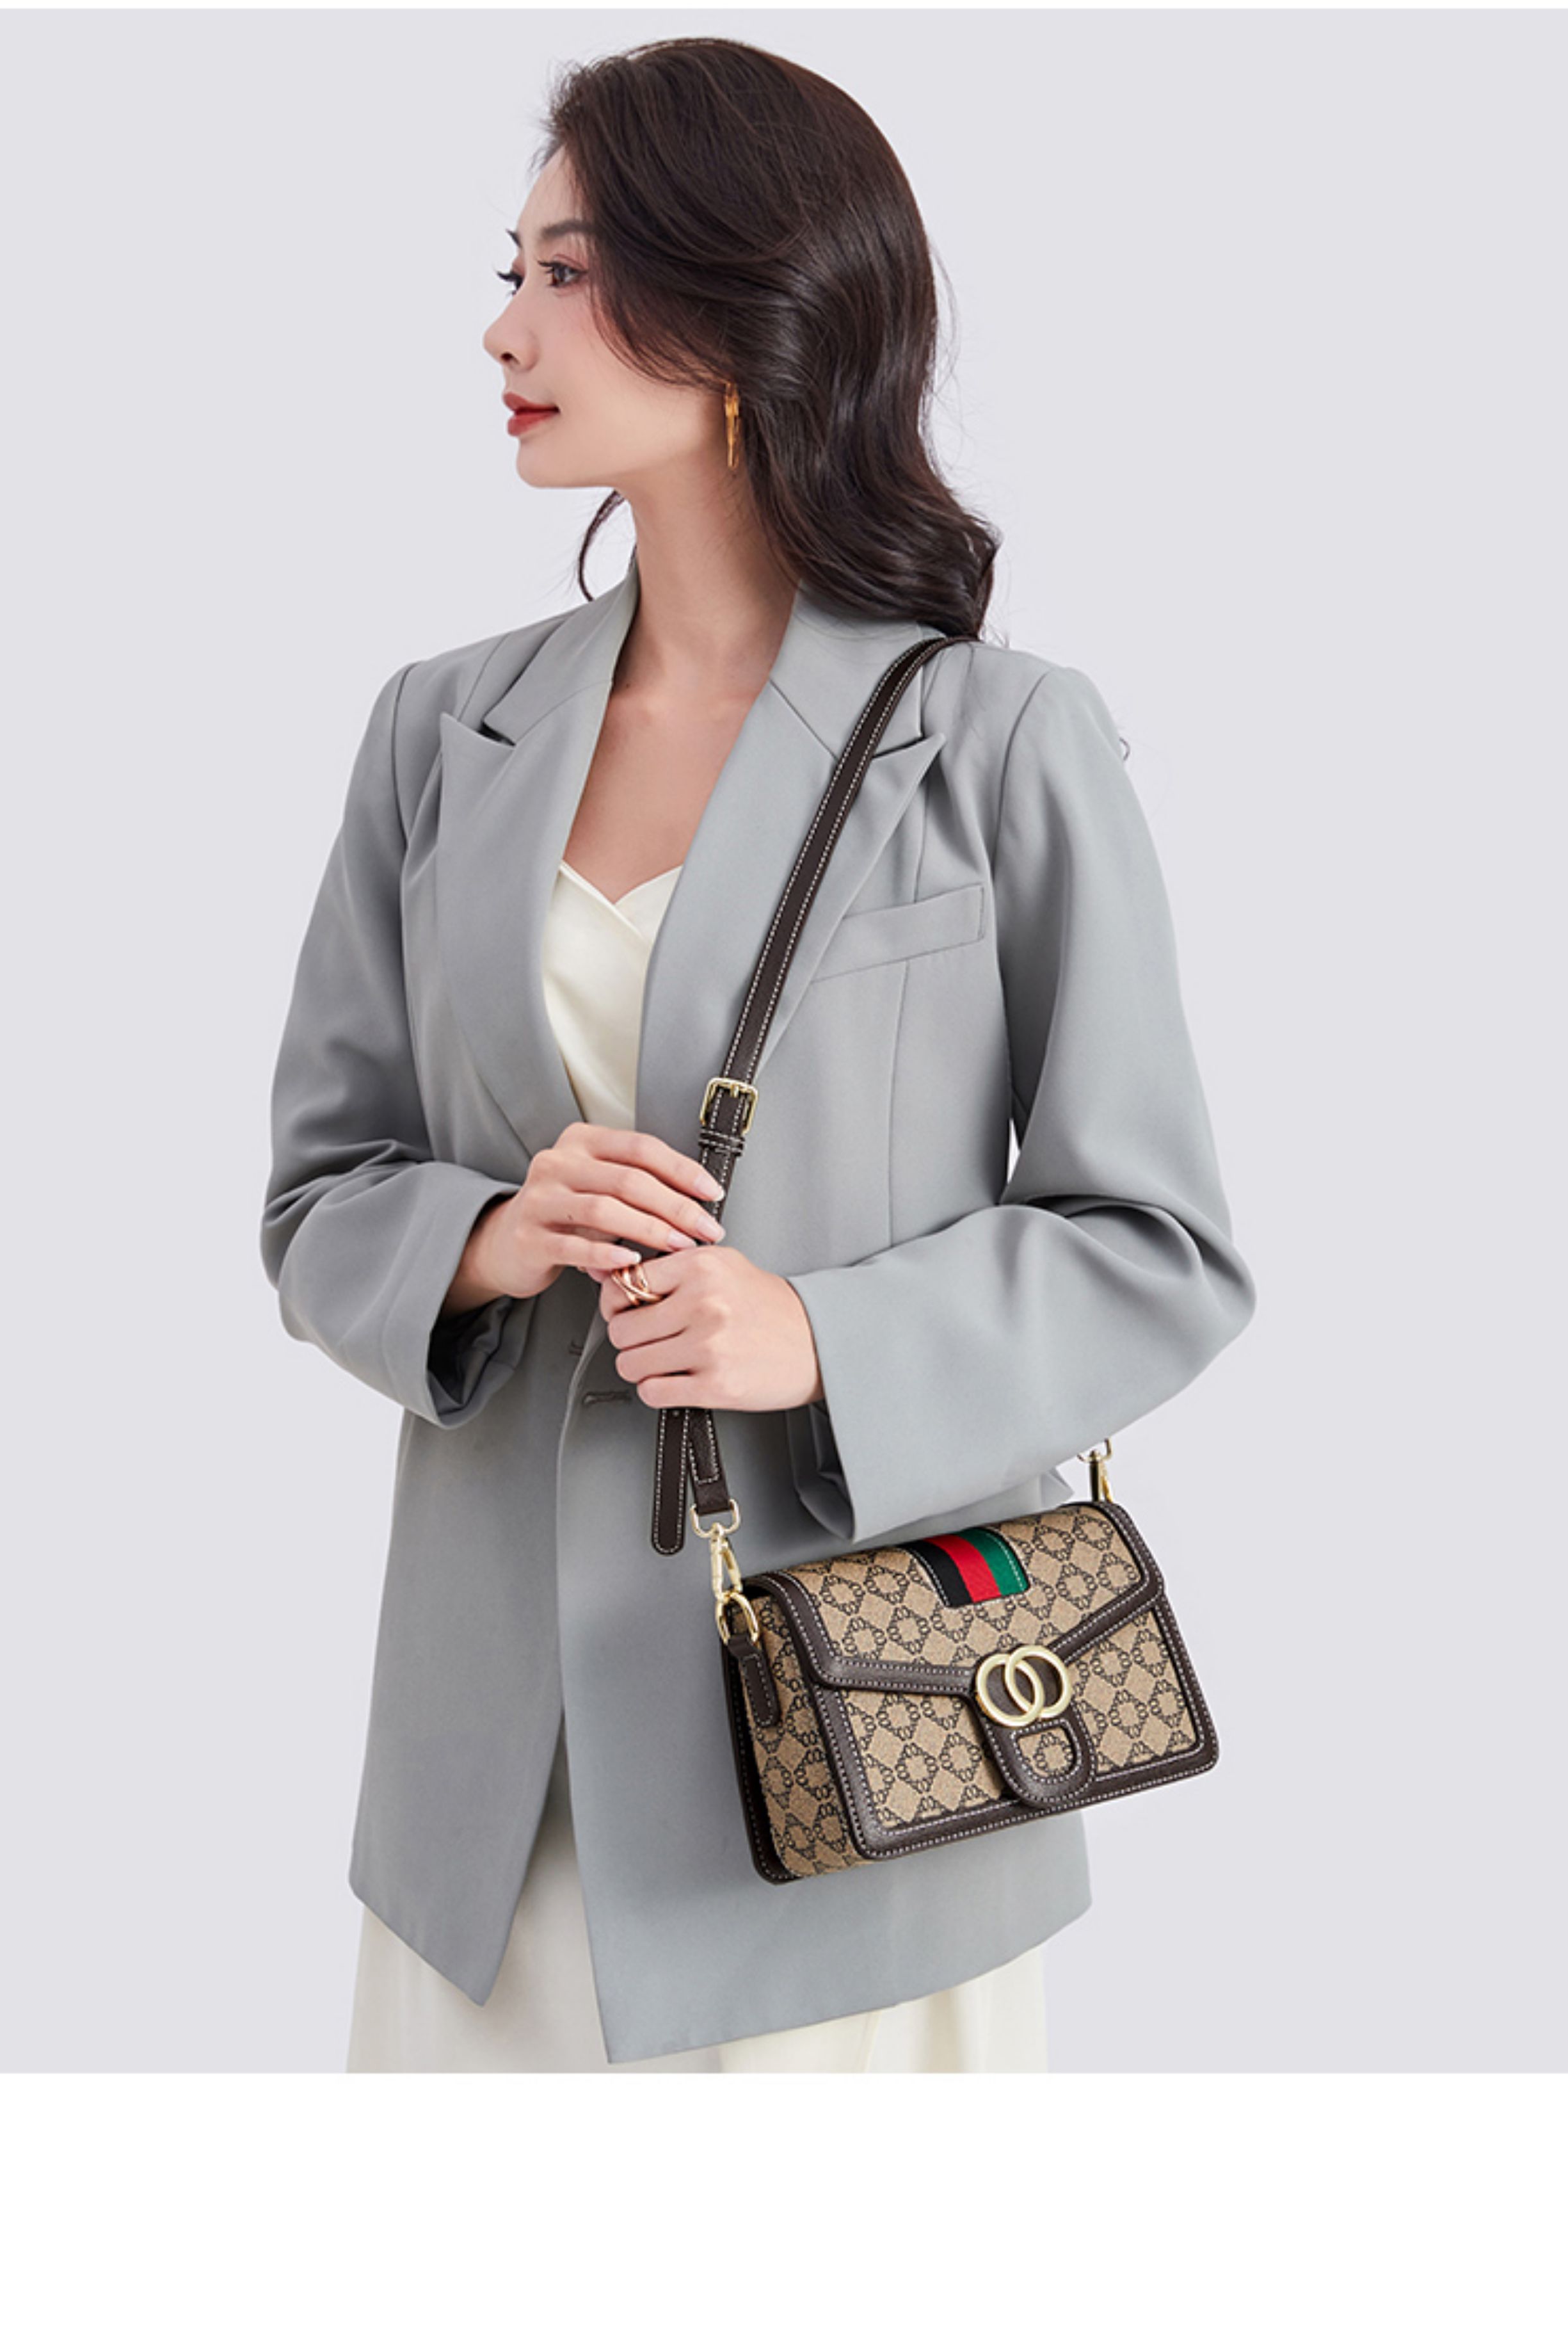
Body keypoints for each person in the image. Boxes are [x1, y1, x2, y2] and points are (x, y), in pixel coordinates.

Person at [260, 36, 1257, 2072]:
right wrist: (489, 1235)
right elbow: (317, 1195)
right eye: (514, 271)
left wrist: (814, 1335)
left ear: (735, 314)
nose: (504, 329)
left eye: (565, 274)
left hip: (857, 1772)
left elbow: (1157, 1247)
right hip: (489, 1803)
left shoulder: (998, 745)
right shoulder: (436, 734)